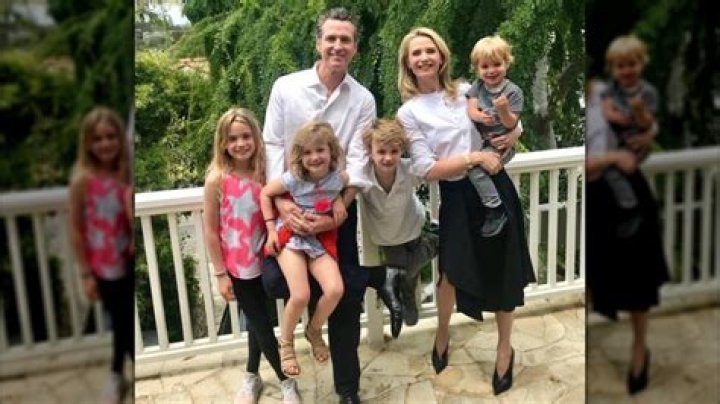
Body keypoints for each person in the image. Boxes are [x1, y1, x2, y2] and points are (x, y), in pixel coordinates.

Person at [261, 8, 400, 403]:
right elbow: (272, 145)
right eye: (331, 38)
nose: (338, 46)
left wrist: (340, 206)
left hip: (338, 206)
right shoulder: (286, 87)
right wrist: (282, 204)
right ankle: (289, 358)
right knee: (281, 285)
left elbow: (359, 158)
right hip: (289, 203)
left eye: (346, 40)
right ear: (319, 42)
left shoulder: (363, 99)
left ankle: (347, 389)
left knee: (344, 296)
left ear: (356, 48)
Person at [396, 27, 535, 396]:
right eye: (416, 53)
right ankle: (442, 333)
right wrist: (474, 157)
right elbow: (426, 168)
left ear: (441, 55)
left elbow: (508, 115)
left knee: (503, 269)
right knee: (451, 272)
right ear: (407, 63)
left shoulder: (465, 92)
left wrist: (516, 132)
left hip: (495, 189)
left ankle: (504, 349)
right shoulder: (408, 112)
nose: (424, 58)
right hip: (457, 195)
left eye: (430, 50)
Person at [202, 108, 300, 403]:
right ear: (223, 143)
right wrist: (220, 274)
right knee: (260, 324)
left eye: (246, 136)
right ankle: (286, 380)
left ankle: (251, 374)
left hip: (268, 260)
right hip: (237, 267)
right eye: (233, 138)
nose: (241, 143)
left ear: (256, 138)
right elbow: (210, 231)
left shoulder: (265, 173)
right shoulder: (217, 179)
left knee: (260, 321)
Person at [586, 78, 669, 395]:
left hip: (628, 199)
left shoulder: (605, 91)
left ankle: (639, 348)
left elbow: (639, 135)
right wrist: (612, 158)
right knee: (591, 276)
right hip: (592, 200)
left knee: (638, 277)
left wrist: (650, 131)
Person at [260, 121, 347, 377]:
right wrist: (271, 230)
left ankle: (314, 329)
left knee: (335, 289)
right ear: (300, 156)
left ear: (331, 151)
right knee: (300, 295)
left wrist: (339, 200)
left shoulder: (338, 178)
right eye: (307, 152)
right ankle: (286, 343)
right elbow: (265, 193)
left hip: (317, 239)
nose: (314, 157)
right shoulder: (294, 179)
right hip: (292, 238)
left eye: (320, 150)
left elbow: (337, 189)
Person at [68, 107, 133, 404]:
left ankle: (118, 372)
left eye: (110, 136)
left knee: (125, 321)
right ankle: (117, 374)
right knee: (120, 321)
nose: (105, 143)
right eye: (97, 139)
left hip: (129, 260)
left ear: (119, 138)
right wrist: (85, 273)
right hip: (105, 267)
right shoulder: (83, 180)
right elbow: (75, 228)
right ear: (88, 143)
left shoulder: (126, 173)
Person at [359, 118, 439, 331]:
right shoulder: (363, 175)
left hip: (411, 226)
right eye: (381, 152)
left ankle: (433, 242)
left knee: (406, 272)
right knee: (403, 273)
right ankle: (409, 300)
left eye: (394, 151)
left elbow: (432, 167)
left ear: (401, 150)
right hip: (386, 236)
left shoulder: (408, 170)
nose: (387, 158)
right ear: (370, 151)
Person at [600, 35, 659, 237]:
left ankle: (629, 206)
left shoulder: (647, 92)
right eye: (620, 66)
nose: (626, 71)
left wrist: (640, 112)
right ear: (612, 68)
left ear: (642, 63)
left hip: (634, 143)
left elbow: (648, 123)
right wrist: (616, 116)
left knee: (614, 171)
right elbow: (606, 110)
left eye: (632, 64)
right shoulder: (611, 89)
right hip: (616, 142)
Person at [465, 35, 524, 237]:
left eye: (497, 64)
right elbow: (471, 109)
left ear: (506, 63)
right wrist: (479, 116)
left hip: (500, 143)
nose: (491, 71)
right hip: (482, 142)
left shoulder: (513, 91)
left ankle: (495, 208)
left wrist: (503, 110)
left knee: (475, 171)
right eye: (485, 66)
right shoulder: (477, 86)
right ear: (477, 69)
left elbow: (511, 123)